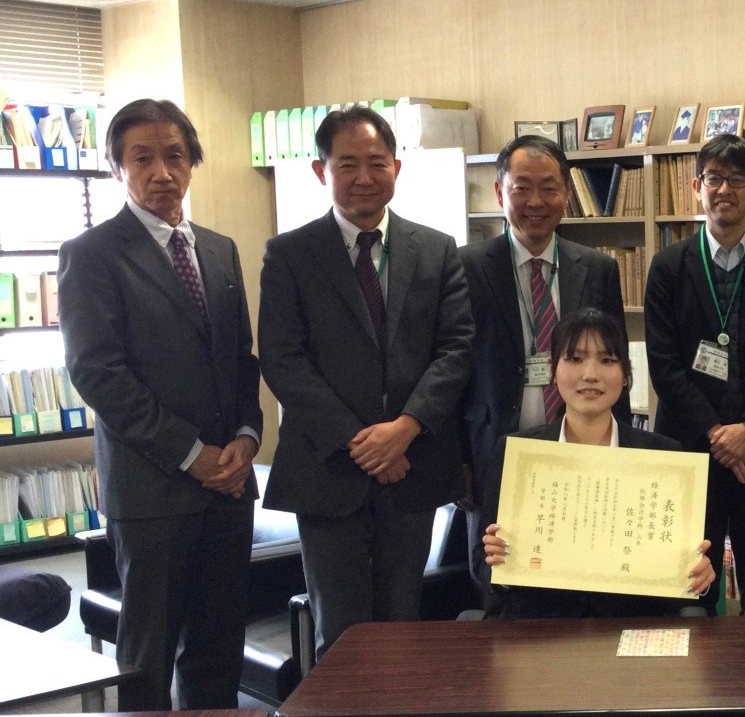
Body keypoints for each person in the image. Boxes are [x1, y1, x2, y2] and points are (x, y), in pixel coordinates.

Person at [58, 99, 262, 710]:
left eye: (175, 155)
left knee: (219, 650)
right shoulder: (91, 254)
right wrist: (192, 454)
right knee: (147, 661)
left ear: (193, 162)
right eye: (142, 158)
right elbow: (100, 375)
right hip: (151, 494)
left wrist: (247, 437)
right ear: (117, 168)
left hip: (228, 489)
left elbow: (241, 359)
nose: (161, 172)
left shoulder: (220, 249)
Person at [259, 105, 474, 656]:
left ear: (396, 168)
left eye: (376, 162)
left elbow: (456, 349)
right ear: (320, 170)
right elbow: (283, 359)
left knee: (403, 625)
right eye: (346, 164)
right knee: (341, 633)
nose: (363, 177)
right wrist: (363, 442)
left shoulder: (436, 249)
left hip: (412, 465)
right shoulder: (289, 254)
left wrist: (405, 429)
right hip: (329, 469)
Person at [645, 134, 745, 613]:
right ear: (697, 186)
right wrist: (719, 434)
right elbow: (664, 365)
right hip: (690, 448)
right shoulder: (668, 266)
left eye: (737, 179)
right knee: (688, 583)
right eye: (714, 178)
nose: (724, 190)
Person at [477, 307, 715, 618]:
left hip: (633, 630)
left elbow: (683, 586)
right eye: (575, 359)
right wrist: (498, 565)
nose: (590, 374)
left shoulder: (665, 458)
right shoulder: (518, 454)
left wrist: (699, 577)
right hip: (540, 631)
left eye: (607, 360)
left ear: (626, 374)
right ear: (553, 369)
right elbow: (484, 571)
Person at [458, 136, 627, 552]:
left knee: (581, 559)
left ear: (566, 193)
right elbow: (452, 367)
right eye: (521, 187)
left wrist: (621, 454)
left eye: (549, 188)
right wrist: (455, 460)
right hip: (493, 452)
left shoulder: (599, 268)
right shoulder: (465, 267)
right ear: (500, 192)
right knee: (497, 570)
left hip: (582, 454)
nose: (536, 201)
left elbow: (615, 363)